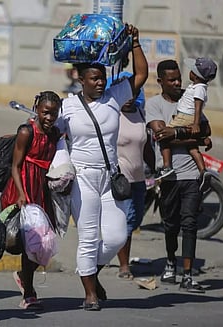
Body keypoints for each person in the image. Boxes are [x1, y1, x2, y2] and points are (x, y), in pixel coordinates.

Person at [56, 24, 148, 311]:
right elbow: (47, 131)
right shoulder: (67, 106)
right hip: (82, 178)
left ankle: (90, 274)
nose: (100, 83)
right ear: (81, 79)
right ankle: (90, 294)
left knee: (117, 235)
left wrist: (134, 42)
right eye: (94, 79)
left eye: (102, 78)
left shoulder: (114, 97)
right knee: (89, 236)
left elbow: (142, 74)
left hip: (110, 177)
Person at [145, 59, 213, 293]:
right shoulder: (153, 105)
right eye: (171, 80)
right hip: (169, 176)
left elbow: (205, 130)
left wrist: (176, 132)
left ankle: (188, 275)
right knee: (171, 224)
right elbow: (162, 136)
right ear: (160, 81)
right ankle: (171, 260)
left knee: (190, 223)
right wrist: (185, 135)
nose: (176, 83)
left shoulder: (191, 96)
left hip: (190, 174)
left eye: (178, 79)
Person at [0, 91, 62, 310]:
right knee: (30, 242)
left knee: (43, 242)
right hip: (23, 188)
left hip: (42, 191)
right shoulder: (27, 132)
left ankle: (24, 278)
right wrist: (20, 193)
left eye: (54, 113)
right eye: (45, 112)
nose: (49, 117)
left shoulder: (55, 134)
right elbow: (15, 166)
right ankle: (29, 293)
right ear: (37, 109)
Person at [157, 57, 217, 192]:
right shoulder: (195, 87)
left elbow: (197, 107)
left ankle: (167, 166)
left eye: (191, 70)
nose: (178, 83)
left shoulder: (199, 89)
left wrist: (196, 124)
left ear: (195, 75)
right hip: (185, 117)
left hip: (185, 117)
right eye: (172, 80)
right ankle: (203, 171)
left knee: (163, 137)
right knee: (192, 147)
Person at [115, 93, 155, 280]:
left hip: (139, 178)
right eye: (126, 93)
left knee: (137, 218)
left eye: (134, 93)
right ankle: (124, 266)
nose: (129, 98)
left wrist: (155, 167)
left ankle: (108, 247)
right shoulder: (113, 115)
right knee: (127, 221)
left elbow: (145, 145)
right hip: (121, 179)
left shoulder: (140, 114)